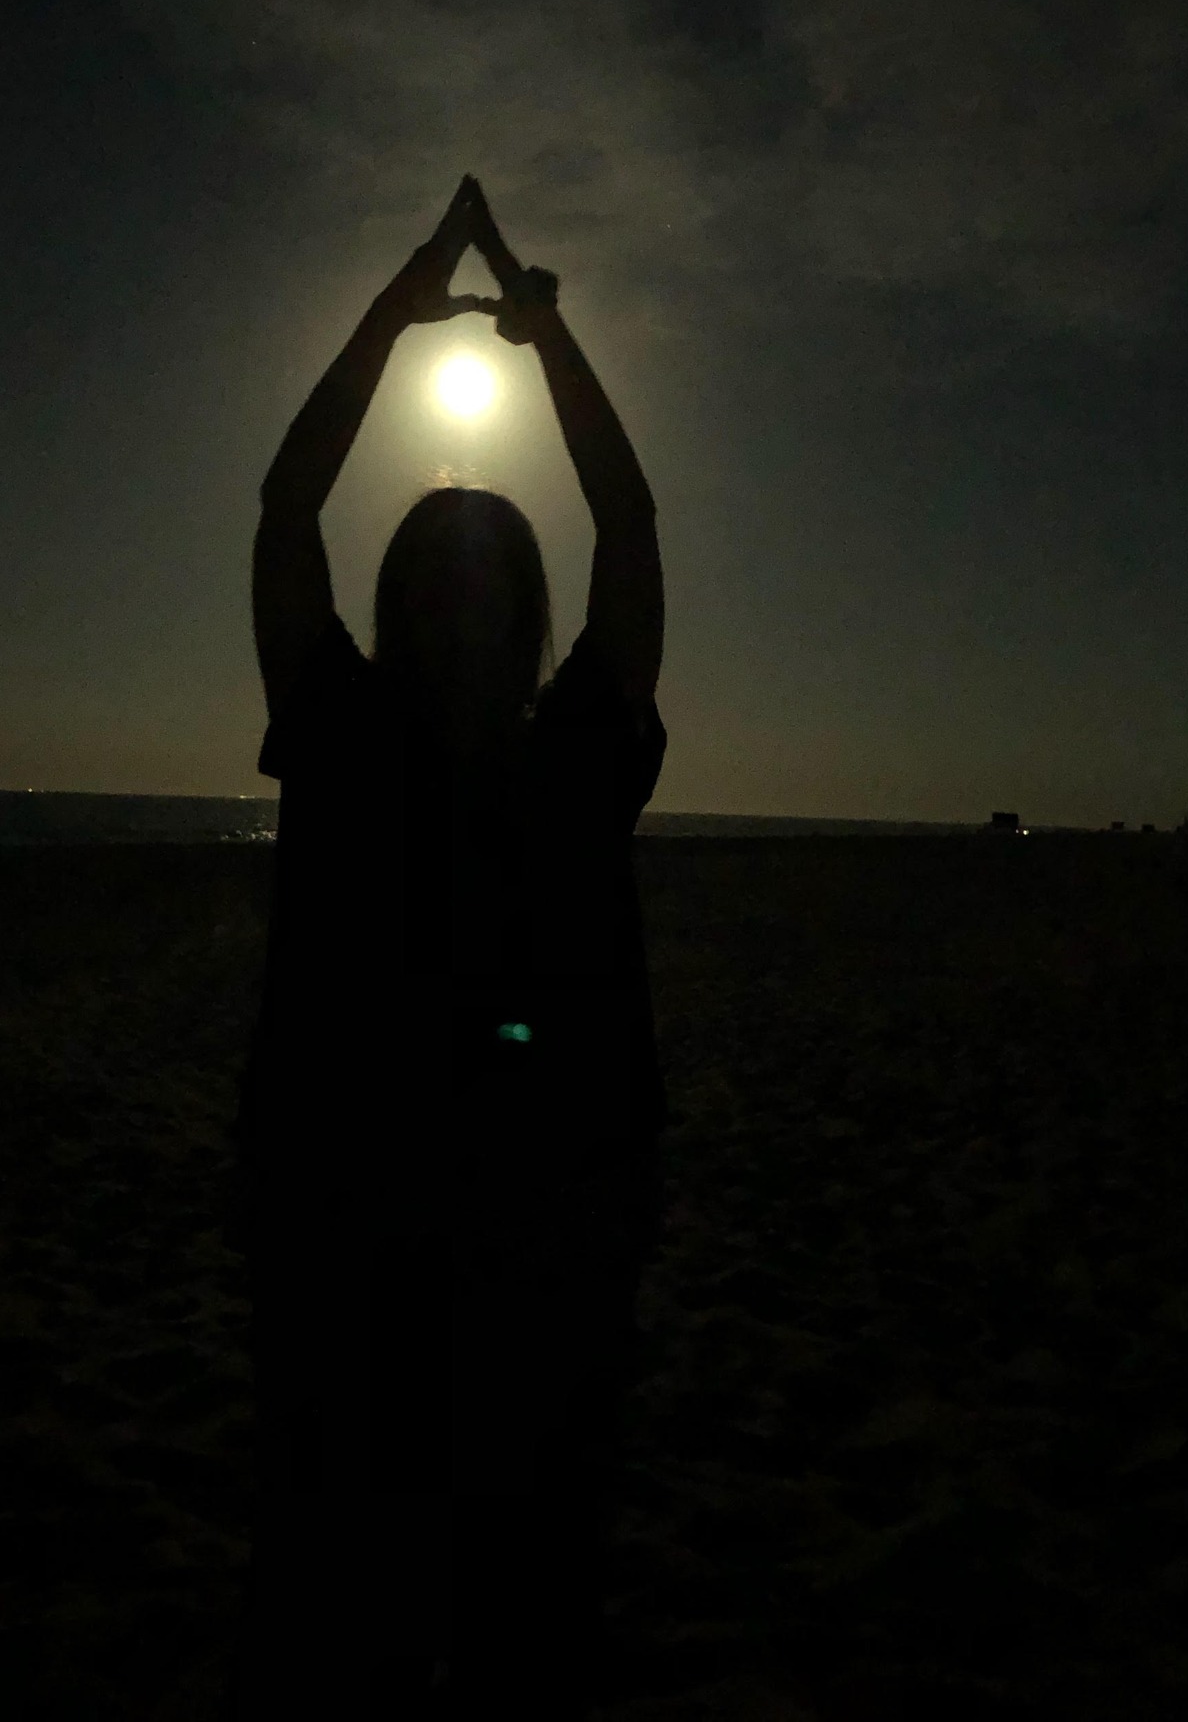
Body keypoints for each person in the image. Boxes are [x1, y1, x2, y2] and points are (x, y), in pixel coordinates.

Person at [227, 176, 668, 1719]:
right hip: (403, 1251)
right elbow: (623, 521)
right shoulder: (443, 745)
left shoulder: (467, 747)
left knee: (452, 1608)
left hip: (465, 1254)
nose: (469, 614)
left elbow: (294, 510)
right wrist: (508, 329)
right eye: (455, 585)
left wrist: (433, 311)